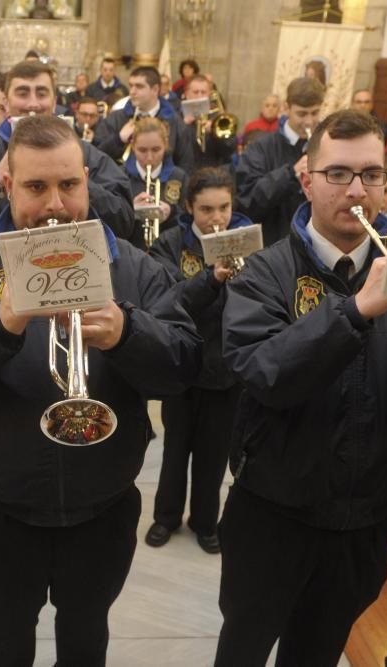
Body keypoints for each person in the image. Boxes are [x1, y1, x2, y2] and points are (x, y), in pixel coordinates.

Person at [0, 113, 200, 667]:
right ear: (9, 185)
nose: (55, 205)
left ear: (88, 181)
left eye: (68, 185)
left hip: (104, 507)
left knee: (87, 638)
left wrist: (128, 332)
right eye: (35, 187)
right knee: (6, 638)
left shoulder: (136, 270)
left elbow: (183, 367)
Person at [216, 109, 387, 665]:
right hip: (274, 515)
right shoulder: (262, 272)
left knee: (318, 652)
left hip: (365, 520)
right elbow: (265, 372)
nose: (357, 190)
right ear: (307, 180)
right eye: (339, 174)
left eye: (372, 175)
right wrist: (358, 310)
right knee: (244, 648)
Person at [0, 60, 135, 259]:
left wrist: (74, 183)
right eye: (23, 93)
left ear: (54, 103)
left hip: (77, 274)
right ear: (6, 103)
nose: (33, 104)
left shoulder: (87, 155)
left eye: (42, 93)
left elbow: (124, 220)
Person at [146, 167, 251, 554]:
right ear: (188, 207)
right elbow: (170, 300)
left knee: (213, 455)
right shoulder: (169, 245)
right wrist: (212, 279)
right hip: (182, 368)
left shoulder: (247, 246)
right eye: (206, 209)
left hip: (226, 372)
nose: (216, 218)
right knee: (176, 450)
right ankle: (166, 517)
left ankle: (206, 522)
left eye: (224, 207)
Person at [235, 77, 324, 247]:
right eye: (302, 114)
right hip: (273, 244)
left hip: (315, 245)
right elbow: (247, 202)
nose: (309, 122)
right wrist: (290, 173)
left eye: (315, 113)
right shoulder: (261, 147)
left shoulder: (325, 146)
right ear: (286, 108)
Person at [94, 66, 194, 172]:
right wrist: (119, 139)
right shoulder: (116, 118)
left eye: (139, 86)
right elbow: (96, 157)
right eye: (131, 86)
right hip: (123, 184)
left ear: (155, 90)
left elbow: (185, 163)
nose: (132, 91)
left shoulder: (174, 121)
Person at [125, 117, 188, 248]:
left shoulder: (178, 176)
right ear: (132, 146)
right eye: (142, 150)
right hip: (132, 250)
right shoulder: (121, 176)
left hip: (169, 250)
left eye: (156, 150)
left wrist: (171, 212)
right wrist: (131, 210)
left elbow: (189, 219)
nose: (149, 157)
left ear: (165, 144)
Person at [182, 75, 236, 169]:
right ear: (186, 94)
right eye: (195, 92)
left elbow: (229, 150)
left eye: (203, 92)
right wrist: (183, 125)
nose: (199, 96)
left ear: (209, 94)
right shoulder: (176, 117)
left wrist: (214, 132)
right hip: (186, 172)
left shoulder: (219, 118)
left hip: (212, 173)